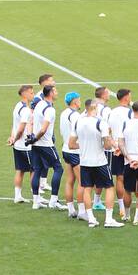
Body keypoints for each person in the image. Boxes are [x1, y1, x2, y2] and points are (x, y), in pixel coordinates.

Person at [69, 98, 123, 229]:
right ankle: (109, 219)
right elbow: (106, 144)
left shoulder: (78, 122)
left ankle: (91, 219)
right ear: (94, 108)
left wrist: (84, 147)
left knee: (87, 189)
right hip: (99, 162)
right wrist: (111, 144)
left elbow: (71, 144)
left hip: (85, 161)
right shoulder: (101, 123)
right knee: (109, 187)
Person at [29, 84, 66, 211]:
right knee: (59, 169)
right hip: (45, 144)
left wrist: (31, 138)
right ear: (50, 93)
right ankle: (53, 200)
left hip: (36, 144)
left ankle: (36, 201)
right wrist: (36, 137)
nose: (57, 92)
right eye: (55, 91)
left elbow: (31, 120)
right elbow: (44, 129)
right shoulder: (50, 109)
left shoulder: (39, 104)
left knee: (37, 170)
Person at [107, 88, 132, 221]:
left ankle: (122, 207)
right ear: (126, 97)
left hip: (116, 149)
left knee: (119, 178)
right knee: (132, 178)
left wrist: (114, 145)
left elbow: (108, 130)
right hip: (127, 149)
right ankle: (137, 204)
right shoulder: (129, 112)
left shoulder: (112, 112)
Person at [7, 84, 34, 203]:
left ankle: (17, 196)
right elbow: (21, 128)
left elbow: (14, 124)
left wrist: (12, 137)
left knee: (20, 170)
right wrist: (16, 138)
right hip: (25, 146)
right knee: (34, 170)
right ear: (25, 94)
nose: (33, 95)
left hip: (18, 146)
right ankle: (36, 197)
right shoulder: (26, 110)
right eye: (31, 93)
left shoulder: (17, 106)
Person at [58, 90, 82, 219]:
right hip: (75, 151)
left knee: (69, 180)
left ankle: (71, 209)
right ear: (75, 101)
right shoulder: (75, 115)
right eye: (79, 99)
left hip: (66, 149)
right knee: (82, 182)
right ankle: (82, 210)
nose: (80, 101)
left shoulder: (63, 113)